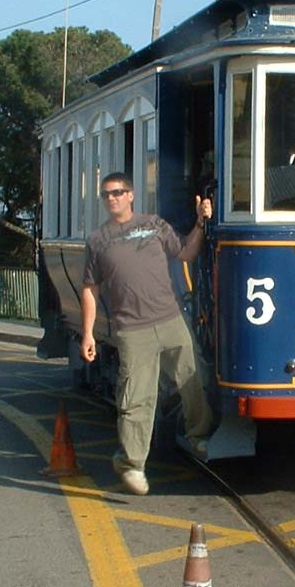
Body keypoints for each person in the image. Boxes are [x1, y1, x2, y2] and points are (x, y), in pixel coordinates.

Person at [80, 173, 214, 497]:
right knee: (136, 400)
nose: (111, 198)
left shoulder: (154, 224)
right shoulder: (98, 241)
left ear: (131, 195)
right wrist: (87, 334)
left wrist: (200, 223)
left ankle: (199, 436)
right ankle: (132, 464)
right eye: (106, 195)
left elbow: (185, 253)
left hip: (170, 321)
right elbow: (89, 289)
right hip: (132, 330)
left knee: (193, 380)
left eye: (117, 192)